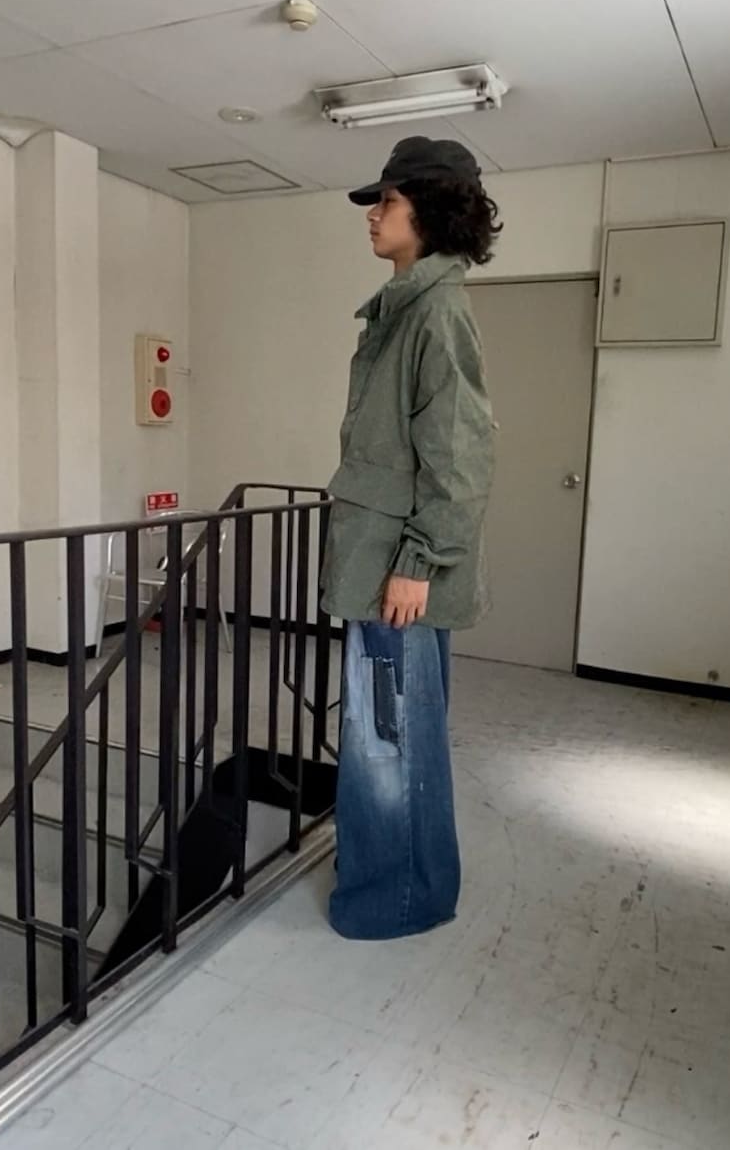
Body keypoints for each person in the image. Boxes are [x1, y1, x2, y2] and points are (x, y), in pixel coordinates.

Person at [320, 135, 500, 940]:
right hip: (382, 566)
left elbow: (460, 455)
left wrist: (418, 562)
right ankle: (396, 882)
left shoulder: (436, 312)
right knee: (389, 733)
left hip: (398, 573)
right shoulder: (407, 309)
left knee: (390, 741)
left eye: (386, 200)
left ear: (427, 209)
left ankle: (398, 898)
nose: (372, 215)